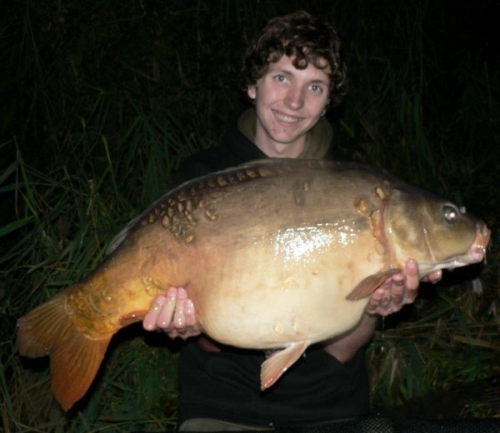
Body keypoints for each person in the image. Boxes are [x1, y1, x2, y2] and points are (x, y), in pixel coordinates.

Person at [143, 11, 441, 431]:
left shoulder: (357, 191)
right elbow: (211, 345)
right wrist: (188, 323)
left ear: (326, 105)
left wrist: (374, 306)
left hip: (328, 409)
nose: (294, 102)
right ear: (252, 85)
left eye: (314, 87)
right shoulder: (202, 178)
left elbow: (344, 349)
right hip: (222, 407)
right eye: (282, 78)